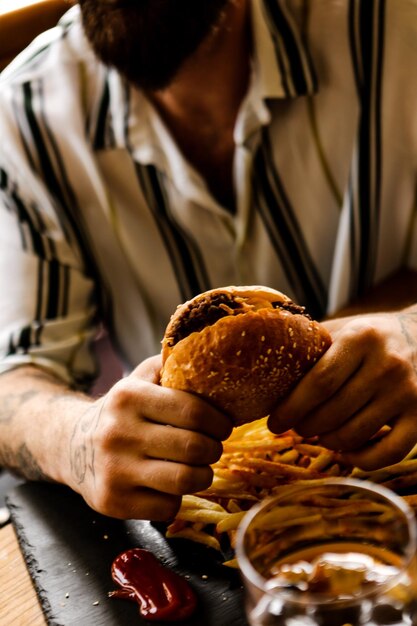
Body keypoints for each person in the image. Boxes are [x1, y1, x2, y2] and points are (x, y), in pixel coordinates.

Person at [1, 0, 417, 521]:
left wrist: (413, 327)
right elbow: (11, 381)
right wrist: (76, 438)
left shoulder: (398, 31)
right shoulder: (25, 117)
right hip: (211, 518)